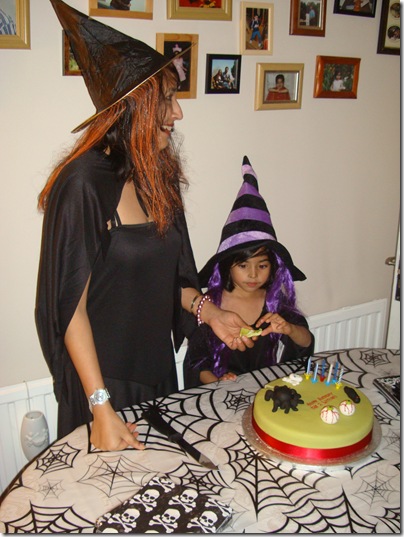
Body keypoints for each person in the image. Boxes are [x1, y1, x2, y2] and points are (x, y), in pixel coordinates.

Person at [36, 0, 255, 452]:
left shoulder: (159, 175)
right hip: (102, 384)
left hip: (156, 371)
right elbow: (69, 309)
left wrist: (210, 313)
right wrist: (100, 407)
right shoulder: (83, 183)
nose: (179, 113)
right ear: (133, 107)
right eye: (168, 99)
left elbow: (169, 279)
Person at [183, 156, 314, 388]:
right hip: (223, 393)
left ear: (273, 267)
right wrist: (218, 382)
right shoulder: (212, 306)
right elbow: (196, 363)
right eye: (243, 266)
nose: (253, 274)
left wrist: (289, 328)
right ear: (227, 266)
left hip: (266, 391)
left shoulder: (275, 303)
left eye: (262, 266)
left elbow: (305, 342)